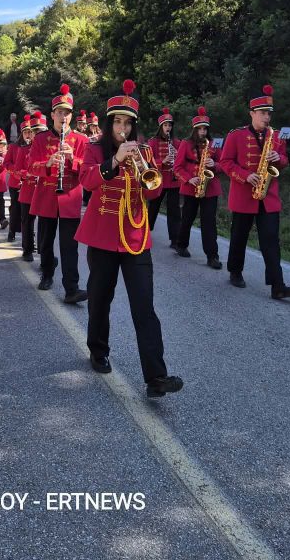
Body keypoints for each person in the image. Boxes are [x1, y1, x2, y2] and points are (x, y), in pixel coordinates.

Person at [75, 79, 184, 398]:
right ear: (110, 124)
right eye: (118, 122)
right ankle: (98, 349)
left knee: (144, 306)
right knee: (100, 298)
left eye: (128, 123)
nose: (123, 128)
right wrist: (115, 160)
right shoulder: (95, 148)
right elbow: (87, 181)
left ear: (135, 125)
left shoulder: (146, 150)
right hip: (103, 234)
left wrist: (145, 171)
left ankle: (156, 377)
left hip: (136, 235)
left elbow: (155, 190)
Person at [219, 84, 290, 300]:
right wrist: (245, 175)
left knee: (271, 238)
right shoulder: (235, 136)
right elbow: (226, 162)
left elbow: (284, 160)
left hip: (268, 196)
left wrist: (279, 159)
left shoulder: (276, 137)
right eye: (263, 113)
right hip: (244, 195)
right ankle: (235, 271)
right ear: (252, 114)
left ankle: (278, 285)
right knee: (239, 236)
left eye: (269, 113)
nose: (267, 118)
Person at [27, 84, 89, 304]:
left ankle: (71, 288)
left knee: (69, 246)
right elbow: (30, 167)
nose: (63, 117)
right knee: (45, 241)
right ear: (52, 114)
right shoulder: (41, 139)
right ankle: (46, 272)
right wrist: (48, 163)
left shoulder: (82, 141)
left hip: (70, 198)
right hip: (46, 197)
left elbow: (88, 173)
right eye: (60, 112)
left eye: (67, 113)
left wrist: (73, 159)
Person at [173, 107, 223, 267]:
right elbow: (177, 168)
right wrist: (189, 179)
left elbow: (224, 164)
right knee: (187, 218)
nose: (202, 132)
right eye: (200, 129)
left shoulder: (215, 144)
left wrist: (214, 164)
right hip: (191, 187)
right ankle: (181, 245)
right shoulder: (185, 144)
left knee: (209, 222)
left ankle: (212, 256)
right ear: (194, 130)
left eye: (205, 129)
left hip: (210, 188)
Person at [146, 108, 183, 249]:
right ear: (161, 126)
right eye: (165, 125)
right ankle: (145, 231)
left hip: (173, 181)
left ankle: (175, 240)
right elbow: (149, 161)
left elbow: (182, 159)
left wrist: (177, 156)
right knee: (153, 207)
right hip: (158, 179)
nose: (168, 128)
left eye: (170, 125)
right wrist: (162, 161)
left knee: (174, 211)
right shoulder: (152, 142)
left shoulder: (177, 142)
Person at [17, 112, 46, 261]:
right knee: (27, 222)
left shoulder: (48, 150)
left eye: (41, 131)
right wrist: (27, 174)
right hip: (28, 190)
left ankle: (42, 251)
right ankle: (27, 250)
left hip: (43, 190)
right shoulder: (23, 149)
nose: (37, 135)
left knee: (43, 224)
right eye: (35, 132)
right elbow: (16, 171)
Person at [3, 115, 32, 244]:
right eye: (26, 132)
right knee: (15, 208)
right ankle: (12, 231)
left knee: (29, 212)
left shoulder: (35, 146)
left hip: (30, 183)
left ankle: (30, 236)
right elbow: (6, 163)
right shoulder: (14, 146)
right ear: (22, 133)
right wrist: (16, 170)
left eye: (30, 132)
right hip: (16, 182)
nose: (28, 135)